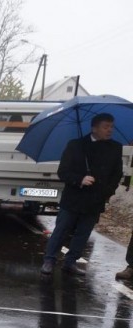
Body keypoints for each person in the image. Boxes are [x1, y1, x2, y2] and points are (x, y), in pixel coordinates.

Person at [40, 113, 123, 276]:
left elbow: (116, 174)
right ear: (94, 128)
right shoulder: (76, 145)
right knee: (62, 230)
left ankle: (70, 262)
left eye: (111, 127)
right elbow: (62, 172)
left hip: (95, 199)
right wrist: (80, 179)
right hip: (73, 198)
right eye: (106, 127)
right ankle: (49, 260)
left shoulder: (115, 147)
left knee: (83, 233)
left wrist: (106, 193)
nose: (109, 130)